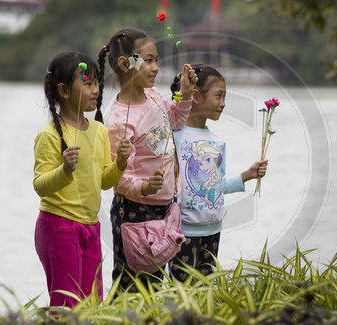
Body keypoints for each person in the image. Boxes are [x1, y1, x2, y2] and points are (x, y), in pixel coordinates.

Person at [98, 28, 198, 289]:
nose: (155, 68)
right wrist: (144, 187)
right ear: (125, 63)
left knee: (153, 285)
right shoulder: (120, 120)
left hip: (164, 206)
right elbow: (119, 178)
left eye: (156, 61)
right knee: (132, 286)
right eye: (149, 60)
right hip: (135, 211)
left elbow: (174, 121)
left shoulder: (154, 96)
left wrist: (185, 93)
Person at [33, 51, 131, 307]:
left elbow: (104, 182)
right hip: (58, 227)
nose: (95, 90)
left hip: (90, 227)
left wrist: (120, 163)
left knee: (92, 305)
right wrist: (64, 170)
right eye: (87, 83)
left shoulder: (99, 131)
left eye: (96, 83)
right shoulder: (50, 136)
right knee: (67, 306)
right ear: (64, 91)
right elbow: (40, 186)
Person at [169, 64, 268, 281]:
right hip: (182, 231)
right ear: (194, 96)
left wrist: (246, 175)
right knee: (182, 290)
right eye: (218, 96)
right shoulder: (174, 136)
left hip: (213, 229)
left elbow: (217, 184)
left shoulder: (217, 142)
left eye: (225, 97)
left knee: (205, 290)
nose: (223, 104)